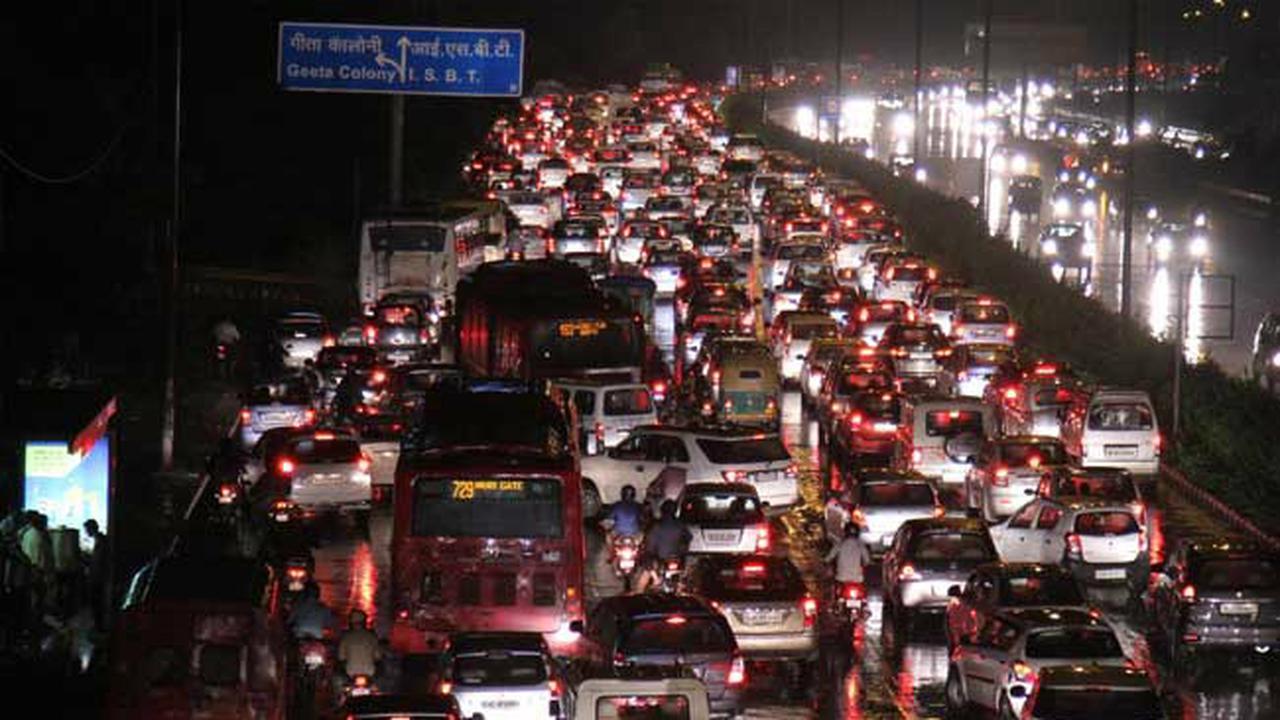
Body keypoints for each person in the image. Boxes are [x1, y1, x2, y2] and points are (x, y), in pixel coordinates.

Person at [825, 522, 872, 603]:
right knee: (863, 597)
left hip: (841, 578)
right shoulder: (860, 545)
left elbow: (829, 558)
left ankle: (836, 604)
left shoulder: (840, 544)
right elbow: (867, 561)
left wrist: (827, 563)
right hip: (857, 579)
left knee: (836, 595)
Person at [18, 512, 54, 615]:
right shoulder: (39, 536)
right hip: (37, 572)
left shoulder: (26, 534)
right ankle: (37, 622)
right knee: (38, 600)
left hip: (29, 571)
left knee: (33, 600)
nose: (46, 525)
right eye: (45, 522)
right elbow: (43, 557)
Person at [336, 609, 382, 683]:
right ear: (364, 622)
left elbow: (341, 658)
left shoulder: (346, 637)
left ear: (351, 623)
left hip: (350, 672)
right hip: (370, 672)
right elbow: (378, 657)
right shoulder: (372, 637)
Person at [82, 520, 108, 627]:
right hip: (97, 577)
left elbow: (99, 561)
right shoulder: (100, 540)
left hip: (97, 578)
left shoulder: (101, 541)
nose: (86, 532)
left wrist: (87, 560)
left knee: (96, 602)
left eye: (86, 529)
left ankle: (98, 626)